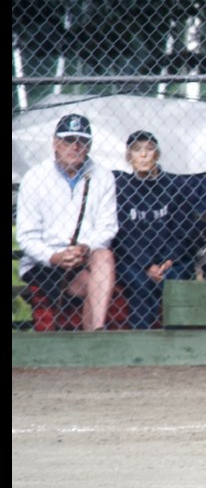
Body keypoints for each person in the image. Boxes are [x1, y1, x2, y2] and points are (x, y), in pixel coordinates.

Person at [15, 114, 118, 331]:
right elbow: (26, 236)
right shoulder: (35, 178)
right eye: (68, 140)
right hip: (46, 260)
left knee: (104, 256)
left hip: (85, 255)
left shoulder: (103, 176)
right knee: (94, 284)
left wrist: (84, 248)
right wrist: (55, 257)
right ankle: (93, 340)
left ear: (89, 145)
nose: (75, 146)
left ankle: (95, 334)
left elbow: (107, 227)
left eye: (82, 141)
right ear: (55, 143)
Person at [113, 131, 197, 329]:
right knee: (140, 285)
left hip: (170, 260)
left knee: (174, 280)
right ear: (128, 157)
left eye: (149, 149)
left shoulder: (176, 186)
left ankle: (177, 341)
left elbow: (184, 230)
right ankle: (141, 342)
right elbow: (123, 236)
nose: (143, 155)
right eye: (136, 150)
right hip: (135, 261)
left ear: (157, 155)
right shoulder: (121, 189)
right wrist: (147, 264)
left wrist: (167, 261)